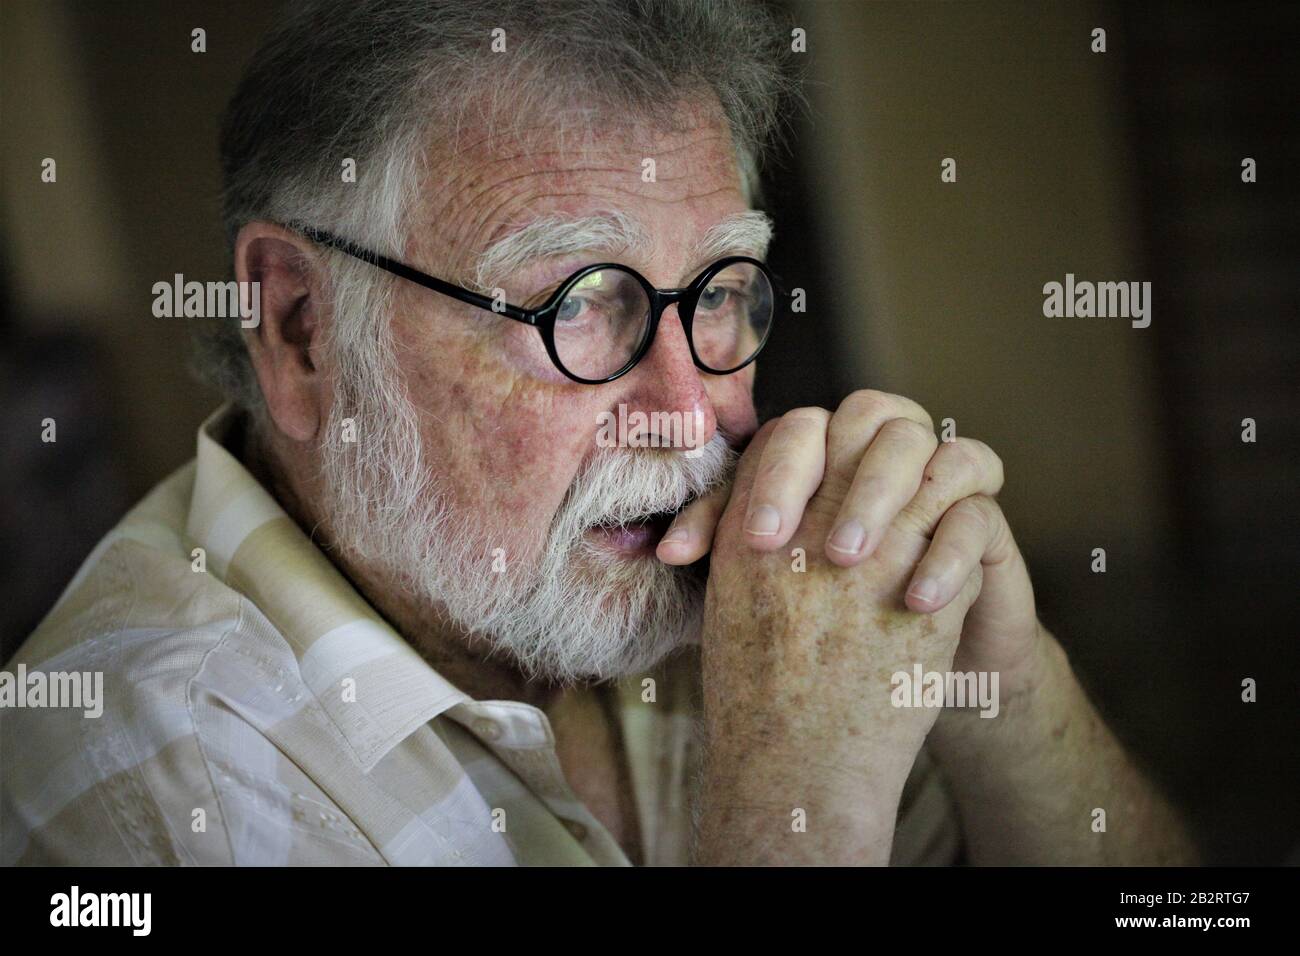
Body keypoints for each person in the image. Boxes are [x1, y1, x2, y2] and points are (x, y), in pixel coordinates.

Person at [1, 0, 1196, 866]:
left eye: (722, 289)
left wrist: (1010, 684)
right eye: (577, 304)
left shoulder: (746, 590)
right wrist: (793, 809)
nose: (693, 412)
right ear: (303, 328)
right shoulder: (131, 775)